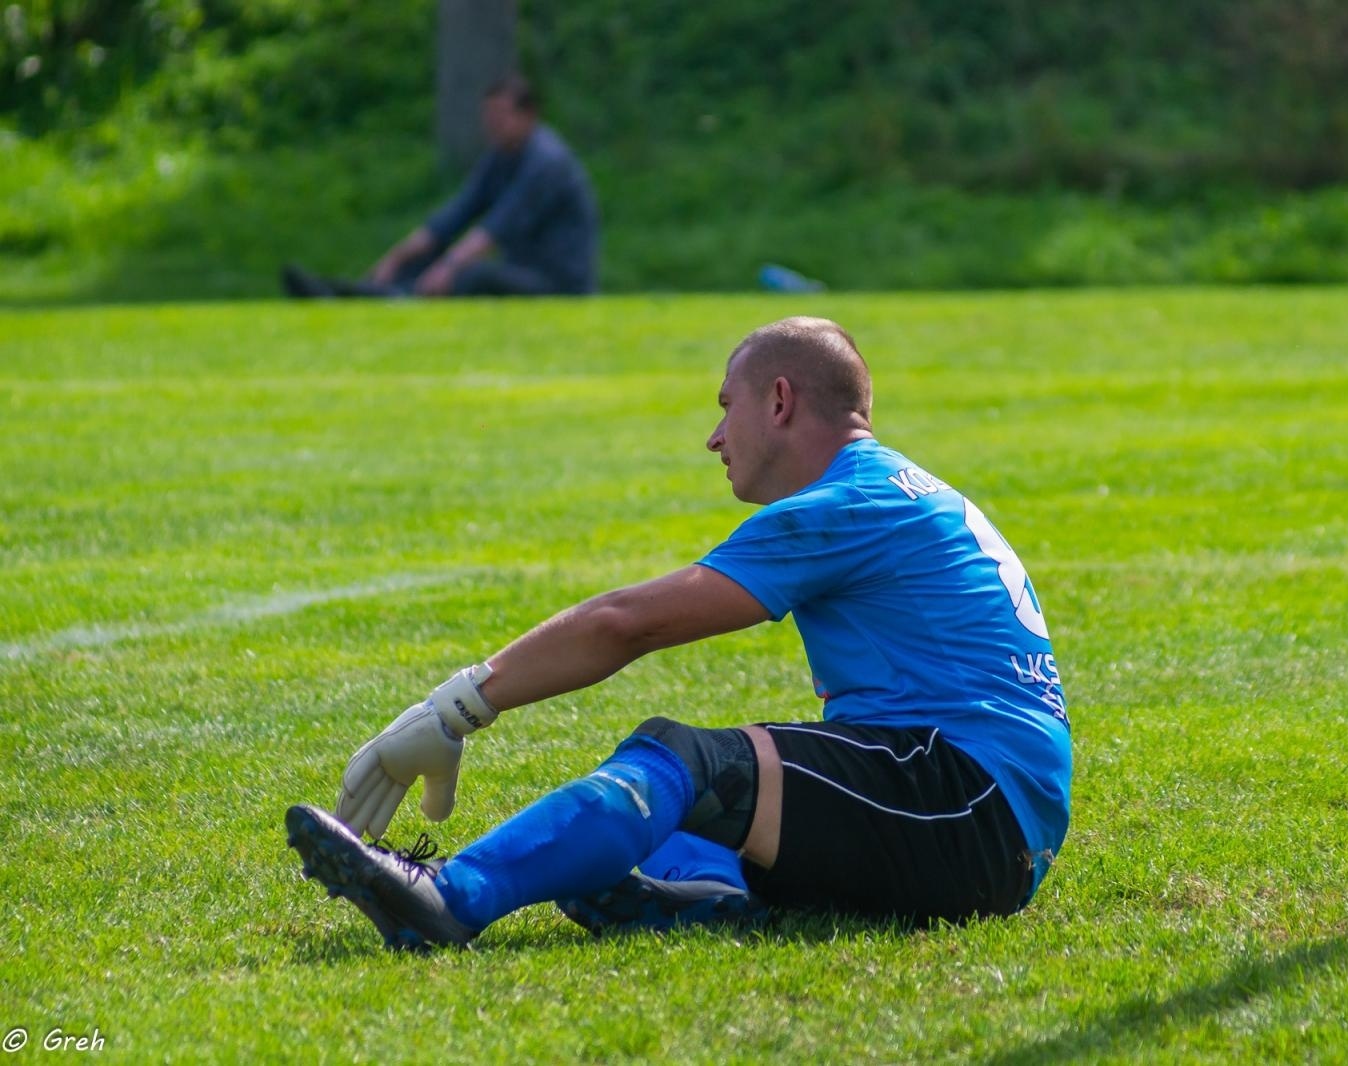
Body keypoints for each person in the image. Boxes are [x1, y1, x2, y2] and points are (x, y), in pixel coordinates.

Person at [286, 316, 1073, 950]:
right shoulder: (893, 488)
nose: (715, 436)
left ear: (779, 402)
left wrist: (456, 708)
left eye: (725, 405)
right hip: (974, 809)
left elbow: (624, 624)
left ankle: (447, 900)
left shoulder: (849, 505)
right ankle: (706, 902)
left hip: (968, 799)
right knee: (635, 835)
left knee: (685, 762)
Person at [282, 74, 599, 299]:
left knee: (472, 274)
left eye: (501, 116)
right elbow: (455, 215)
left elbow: (495, 228)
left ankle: (386, 299)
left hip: (559, 283)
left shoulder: (546, 162)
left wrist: (448, 268)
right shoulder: (500, 157)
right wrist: (397, 257)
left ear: (528, 115)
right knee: (431, 257)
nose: (492, 124)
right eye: (488, 116)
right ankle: (354, 291)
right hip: (522, 269)